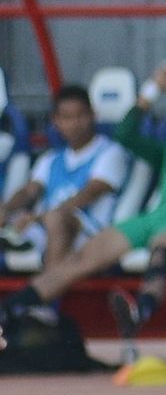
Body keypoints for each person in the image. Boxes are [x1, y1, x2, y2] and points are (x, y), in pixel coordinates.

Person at [24, 71, 166, 340]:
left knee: (162, 254)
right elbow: (125, 134)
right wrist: (151, 91)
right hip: (149, 220)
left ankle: (140, 311)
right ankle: (16, 307)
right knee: (82, 258)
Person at [3, 85, 132, 277]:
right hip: (45, 226)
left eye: (81, 115)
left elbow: (89, 194)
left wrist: (38, 218)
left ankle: (45, 301)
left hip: (89, 232)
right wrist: (6, 209)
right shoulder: (50, 159)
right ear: (56, 121)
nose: (75, 123)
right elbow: (29, 191)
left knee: (56, 219)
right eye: (67, 118)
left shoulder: (110, 153)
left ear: (93, 115)